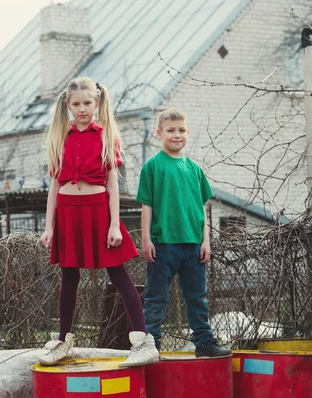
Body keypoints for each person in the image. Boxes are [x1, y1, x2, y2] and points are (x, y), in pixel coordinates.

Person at [39, 77, 159, 367]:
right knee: (69, 277)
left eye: (87, 103)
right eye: (76, 104)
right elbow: (54, 187)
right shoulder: (60, 137)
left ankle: (143, 342)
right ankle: (63, 341)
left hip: (98, 210)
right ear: (68, 106)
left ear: (97, 103)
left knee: (118, 274)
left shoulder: (107, 137)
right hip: (68, 211)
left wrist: (114, 223)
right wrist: (49, 227)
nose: (82, 109)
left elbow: (112, 185)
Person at [136, 108, 232, 358]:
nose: (176, 135)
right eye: (170, 130)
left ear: (187, 132)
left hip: (193, 245)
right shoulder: (152, 167)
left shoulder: (195, 169)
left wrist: (206, 241)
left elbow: (201, 208)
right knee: (156, 298)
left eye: (181, 130)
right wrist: (146, 240)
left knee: (197, 298)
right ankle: (150, 345)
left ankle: (203, 342)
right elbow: (146, 205)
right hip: (163, 244)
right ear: (159, 133)